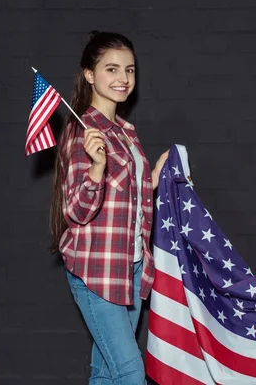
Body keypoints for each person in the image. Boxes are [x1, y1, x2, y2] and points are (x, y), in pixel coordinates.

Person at [49, 31, 168, 385]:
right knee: (130, 372)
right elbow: (76, 212)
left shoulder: (125, 132)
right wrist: (96, 170)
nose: (122, 79)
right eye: (111, 69)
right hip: (97, 270)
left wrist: (154, 182)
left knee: (105, 372)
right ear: (89, 74)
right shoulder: (81, 132)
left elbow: (126, 200)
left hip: (130, 267)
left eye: (129, 70)